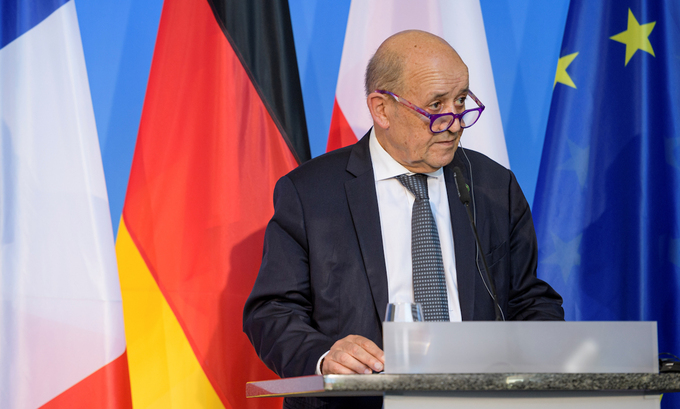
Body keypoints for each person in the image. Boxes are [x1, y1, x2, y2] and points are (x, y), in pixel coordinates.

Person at [243, 30, 564, 409]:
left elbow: (529, 299)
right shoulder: (311, 193)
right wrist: (325, 356)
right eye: (437, 105)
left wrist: (536, 359)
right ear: (382, 109)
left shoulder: (494, 186)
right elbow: (272, 311)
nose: (455, 123)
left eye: (461, 101)